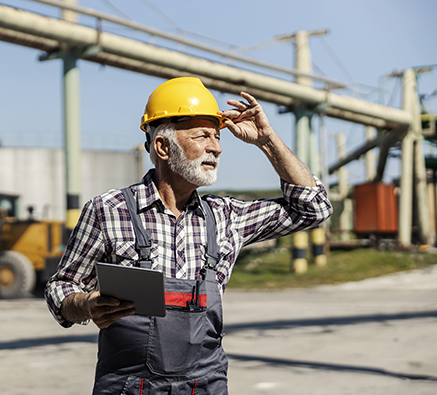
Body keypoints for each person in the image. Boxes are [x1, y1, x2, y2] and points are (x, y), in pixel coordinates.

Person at [45, 77, 333, 394]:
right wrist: (86, 305)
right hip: (130, 388)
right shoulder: (108, 211)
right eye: (202, 136)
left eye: (217, 136)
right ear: (163, 147)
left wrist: (267, 140)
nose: (217, 147)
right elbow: (61, 287)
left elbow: (314, 207)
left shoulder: (226, 217)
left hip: (205, 387)